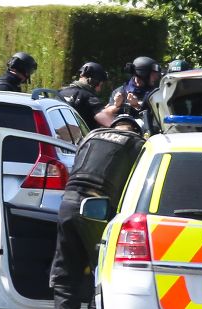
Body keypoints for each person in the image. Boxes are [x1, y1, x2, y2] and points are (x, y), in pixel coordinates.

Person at [49, 115, 145, 309]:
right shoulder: (138, 145)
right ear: (135, 130)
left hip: (68, 204)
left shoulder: (92, 136)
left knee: (65, 276)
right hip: (98, 211)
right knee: (102, 276)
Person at [59, 62, 117, 130]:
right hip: (78, 139)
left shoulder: (60, 92)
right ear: (93, 81)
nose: (99, 90)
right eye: (100, 85)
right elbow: (109, 122)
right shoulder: (89, 98)